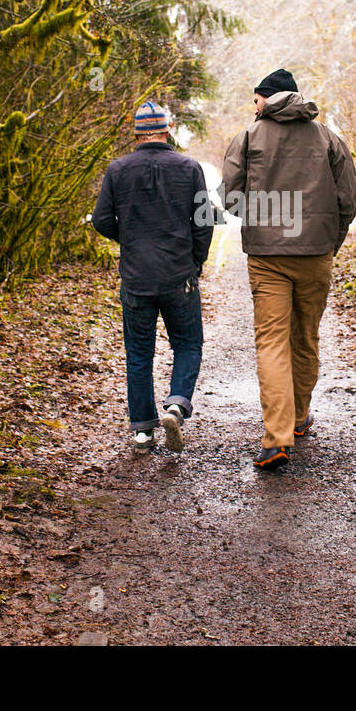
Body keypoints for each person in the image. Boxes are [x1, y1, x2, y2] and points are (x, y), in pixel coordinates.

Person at [221, 69, 356, 470]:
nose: (254, 105)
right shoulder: (328, 138)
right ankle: (299, 419)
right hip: (316, 253)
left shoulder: (248, 137)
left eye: (256, 98)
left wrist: (263, 220)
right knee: (305, 337)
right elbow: (348, 198)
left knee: (272, 343)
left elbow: (230, 199)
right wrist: (330, 239)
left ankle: (276, 439)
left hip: (267, 258)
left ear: (268, 98)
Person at [91, 101, 211, 454]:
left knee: (139, 353)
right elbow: (203, 221)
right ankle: (176, 404)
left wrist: (129, 239)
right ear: (168, 129)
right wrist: (195, 261)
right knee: (188, 344)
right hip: (179, 275)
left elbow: (100, 220)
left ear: (137, 133)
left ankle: (143, 430)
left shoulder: (118, 170)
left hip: (136, 279)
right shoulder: (189, 168)